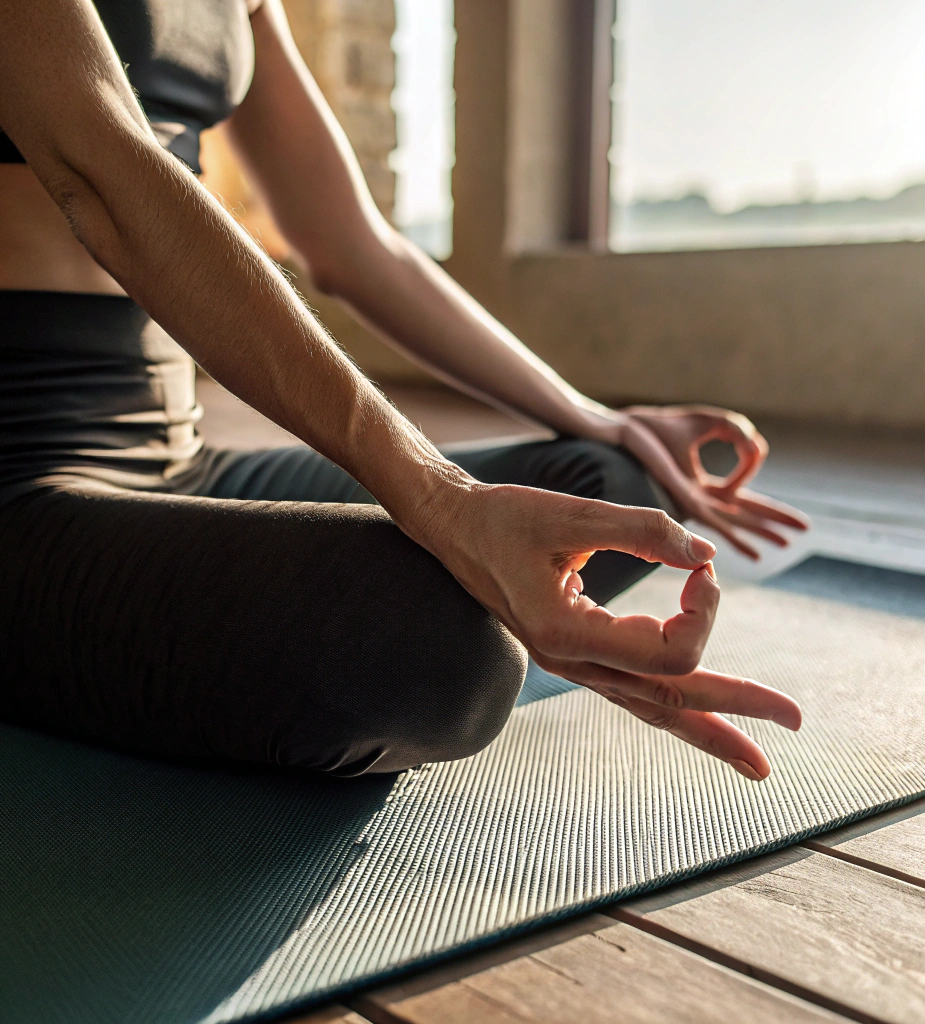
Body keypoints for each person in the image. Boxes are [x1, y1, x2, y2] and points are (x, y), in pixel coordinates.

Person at [0, 0, 806, 782]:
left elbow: (352, 243)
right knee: (439, 648)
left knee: (610, 486)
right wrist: (444, 502)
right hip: (19, 480)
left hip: (179, 451)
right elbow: (95, 168)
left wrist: (596, 416)